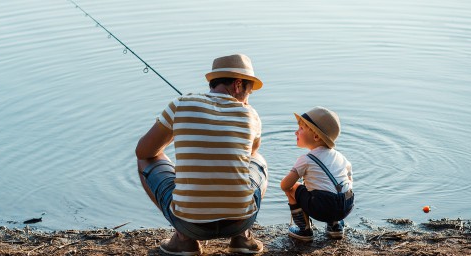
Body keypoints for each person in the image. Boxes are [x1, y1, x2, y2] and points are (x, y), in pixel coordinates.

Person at [135, 54, 268, 255]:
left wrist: (178, 131)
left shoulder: (180, 104)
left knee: (145, 160)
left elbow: (143, 151)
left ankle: (184, 239)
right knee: (259, 161)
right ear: (238, 85)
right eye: (249, 92)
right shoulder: (251, 115)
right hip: (240, 221)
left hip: (191, 224)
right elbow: (251, 154)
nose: (248, 99)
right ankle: (242, 238)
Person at [280, 106, 354, 241]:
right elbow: (349, 178)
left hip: (323, 207)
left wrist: (298, 185)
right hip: (347, 205)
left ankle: (304, 230)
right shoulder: (340, 157)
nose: (296, 132)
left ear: (315, 136)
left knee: (293, 188)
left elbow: (285, 185)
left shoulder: (305, 160)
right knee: (335, 188)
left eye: (301, 129)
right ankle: (335, 226)